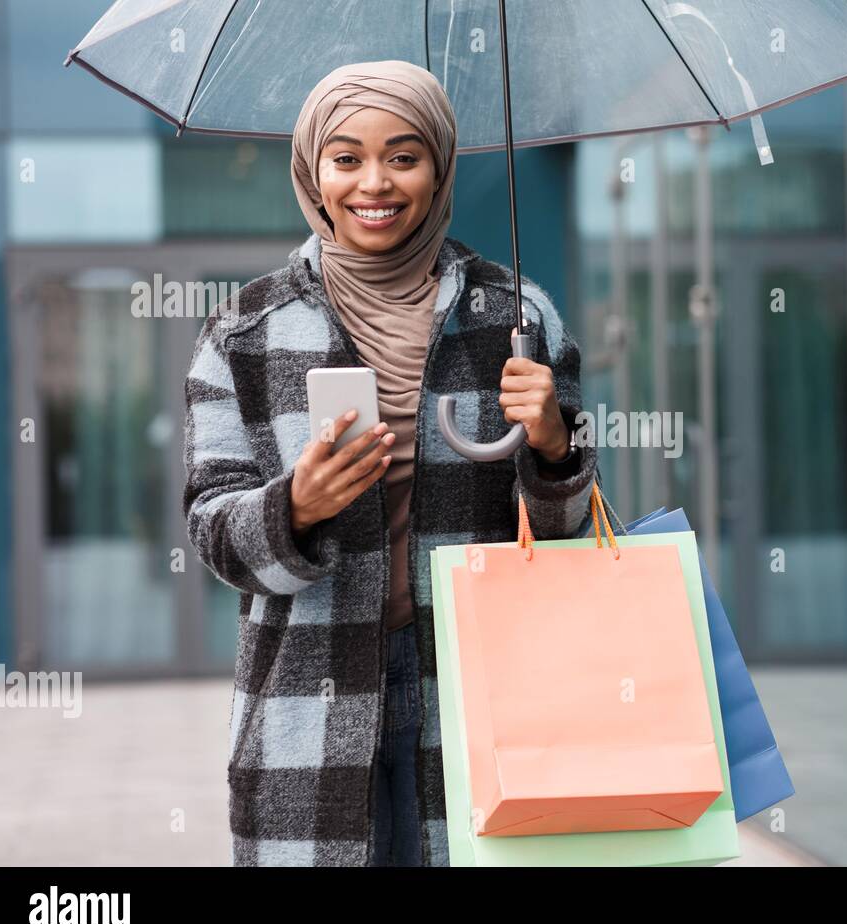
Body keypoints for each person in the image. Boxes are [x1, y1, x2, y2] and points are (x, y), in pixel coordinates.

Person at [182, 60, 599, 866]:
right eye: (347, 158)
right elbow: (213, 533)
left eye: (404, 157)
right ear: (312, 170)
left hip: (483, 693)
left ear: (441, 168)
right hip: (307, 698)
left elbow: (568, 533)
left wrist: (555, 444)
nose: (375, 182)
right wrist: (293, 507)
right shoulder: (244, 331)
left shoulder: (516, 317)